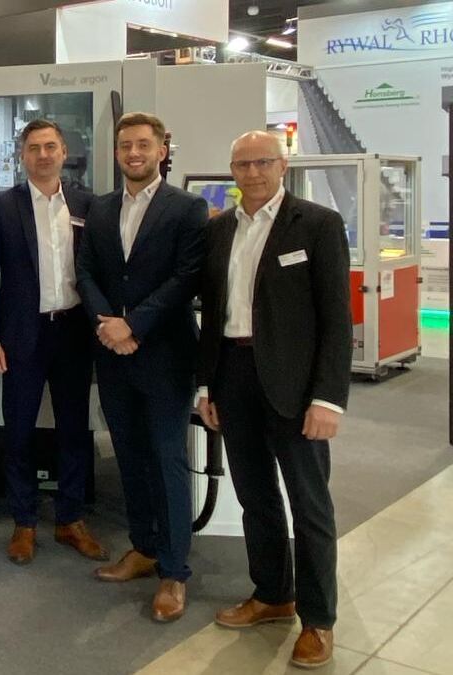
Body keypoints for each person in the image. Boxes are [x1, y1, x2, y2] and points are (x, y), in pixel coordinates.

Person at [197, 131, 351, 669]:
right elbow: (212, 314)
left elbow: (336, 318)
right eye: (242, 164)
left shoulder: (317, 224)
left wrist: (328, 398)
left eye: (263, 162)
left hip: (296, 385)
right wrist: (207, 386)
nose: (253, 172)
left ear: (283, 165)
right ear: (232, 170)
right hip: (233, 377)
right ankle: (272, 594)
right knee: (255, 497)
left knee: (310, 505)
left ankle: (318, 620)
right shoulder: (220, 230)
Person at [76, 112, 207, 622]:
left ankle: (174, 571)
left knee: (168, 459)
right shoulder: (102, 208)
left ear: (161, 150)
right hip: (112, 355)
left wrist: (134, 325)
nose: (134, 153)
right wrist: (108, 325)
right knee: (129, 455)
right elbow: (86, 271)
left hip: (166, 355)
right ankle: (144, 547)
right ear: (116, 152)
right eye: (126, 145)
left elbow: (186, 278)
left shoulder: (188, 208)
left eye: (143, 145)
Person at [0, 118, 107, 565]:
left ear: (64, 152)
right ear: (22, 156)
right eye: (34, 148)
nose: (43, 155)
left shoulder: (88, 204)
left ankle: (70, 518)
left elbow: (100, 270)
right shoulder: (1, 206)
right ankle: (24, 521)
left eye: (51, 147)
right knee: (18, 431)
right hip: (21, 335)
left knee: (74, 429)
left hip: (73, 332)